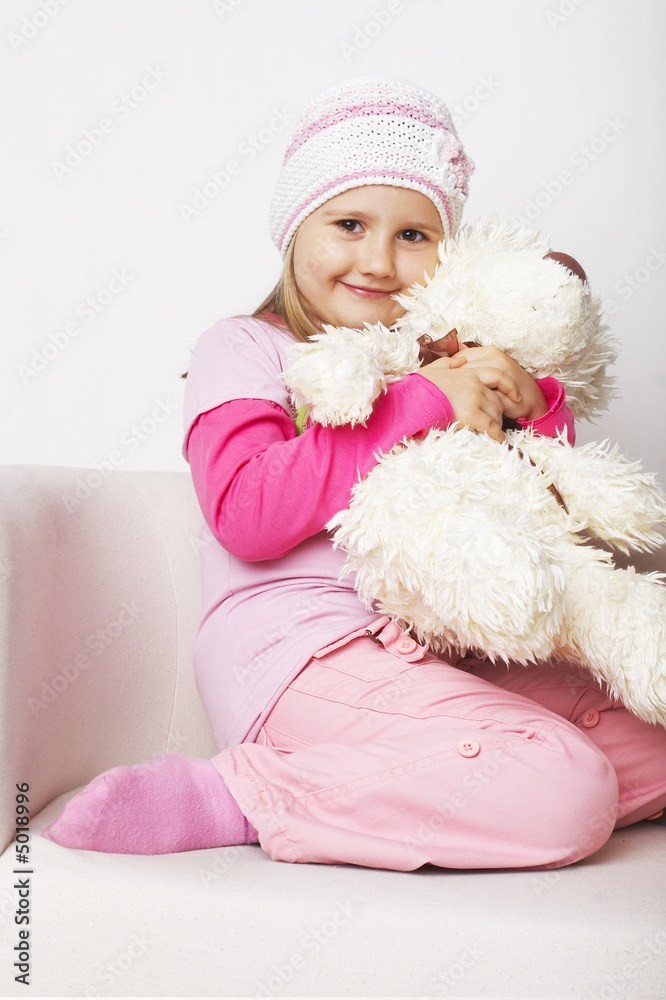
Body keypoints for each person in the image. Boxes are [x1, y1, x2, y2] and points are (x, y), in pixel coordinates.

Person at [43, 75, 666, 868]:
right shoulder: (244, 347)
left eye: (414, 236)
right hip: (304, 655)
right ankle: (244, 795)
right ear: (296, 230)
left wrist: (530, 410)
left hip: (449, 650)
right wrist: (417, 402)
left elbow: (545, 524)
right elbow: (245, 511)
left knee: (654, 736)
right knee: (568, 789)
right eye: (349, 223)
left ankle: (436, 780)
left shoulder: (449, 360)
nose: (378, 259)